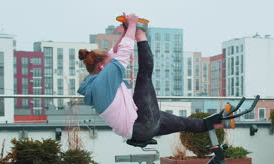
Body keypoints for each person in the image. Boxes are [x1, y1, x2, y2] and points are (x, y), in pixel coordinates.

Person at [78, 13, 220, 142]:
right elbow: (123, 53)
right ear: (102, 67)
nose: (112, 62)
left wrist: (127, 31)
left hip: (140, 126)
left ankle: (215, 123)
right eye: (109, 62)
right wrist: (135, 27)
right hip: (139, 125)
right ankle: (142, 36)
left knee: (182, 123)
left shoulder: (99, 79)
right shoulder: (101, 83)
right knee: (144, 75)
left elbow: (115, 52)